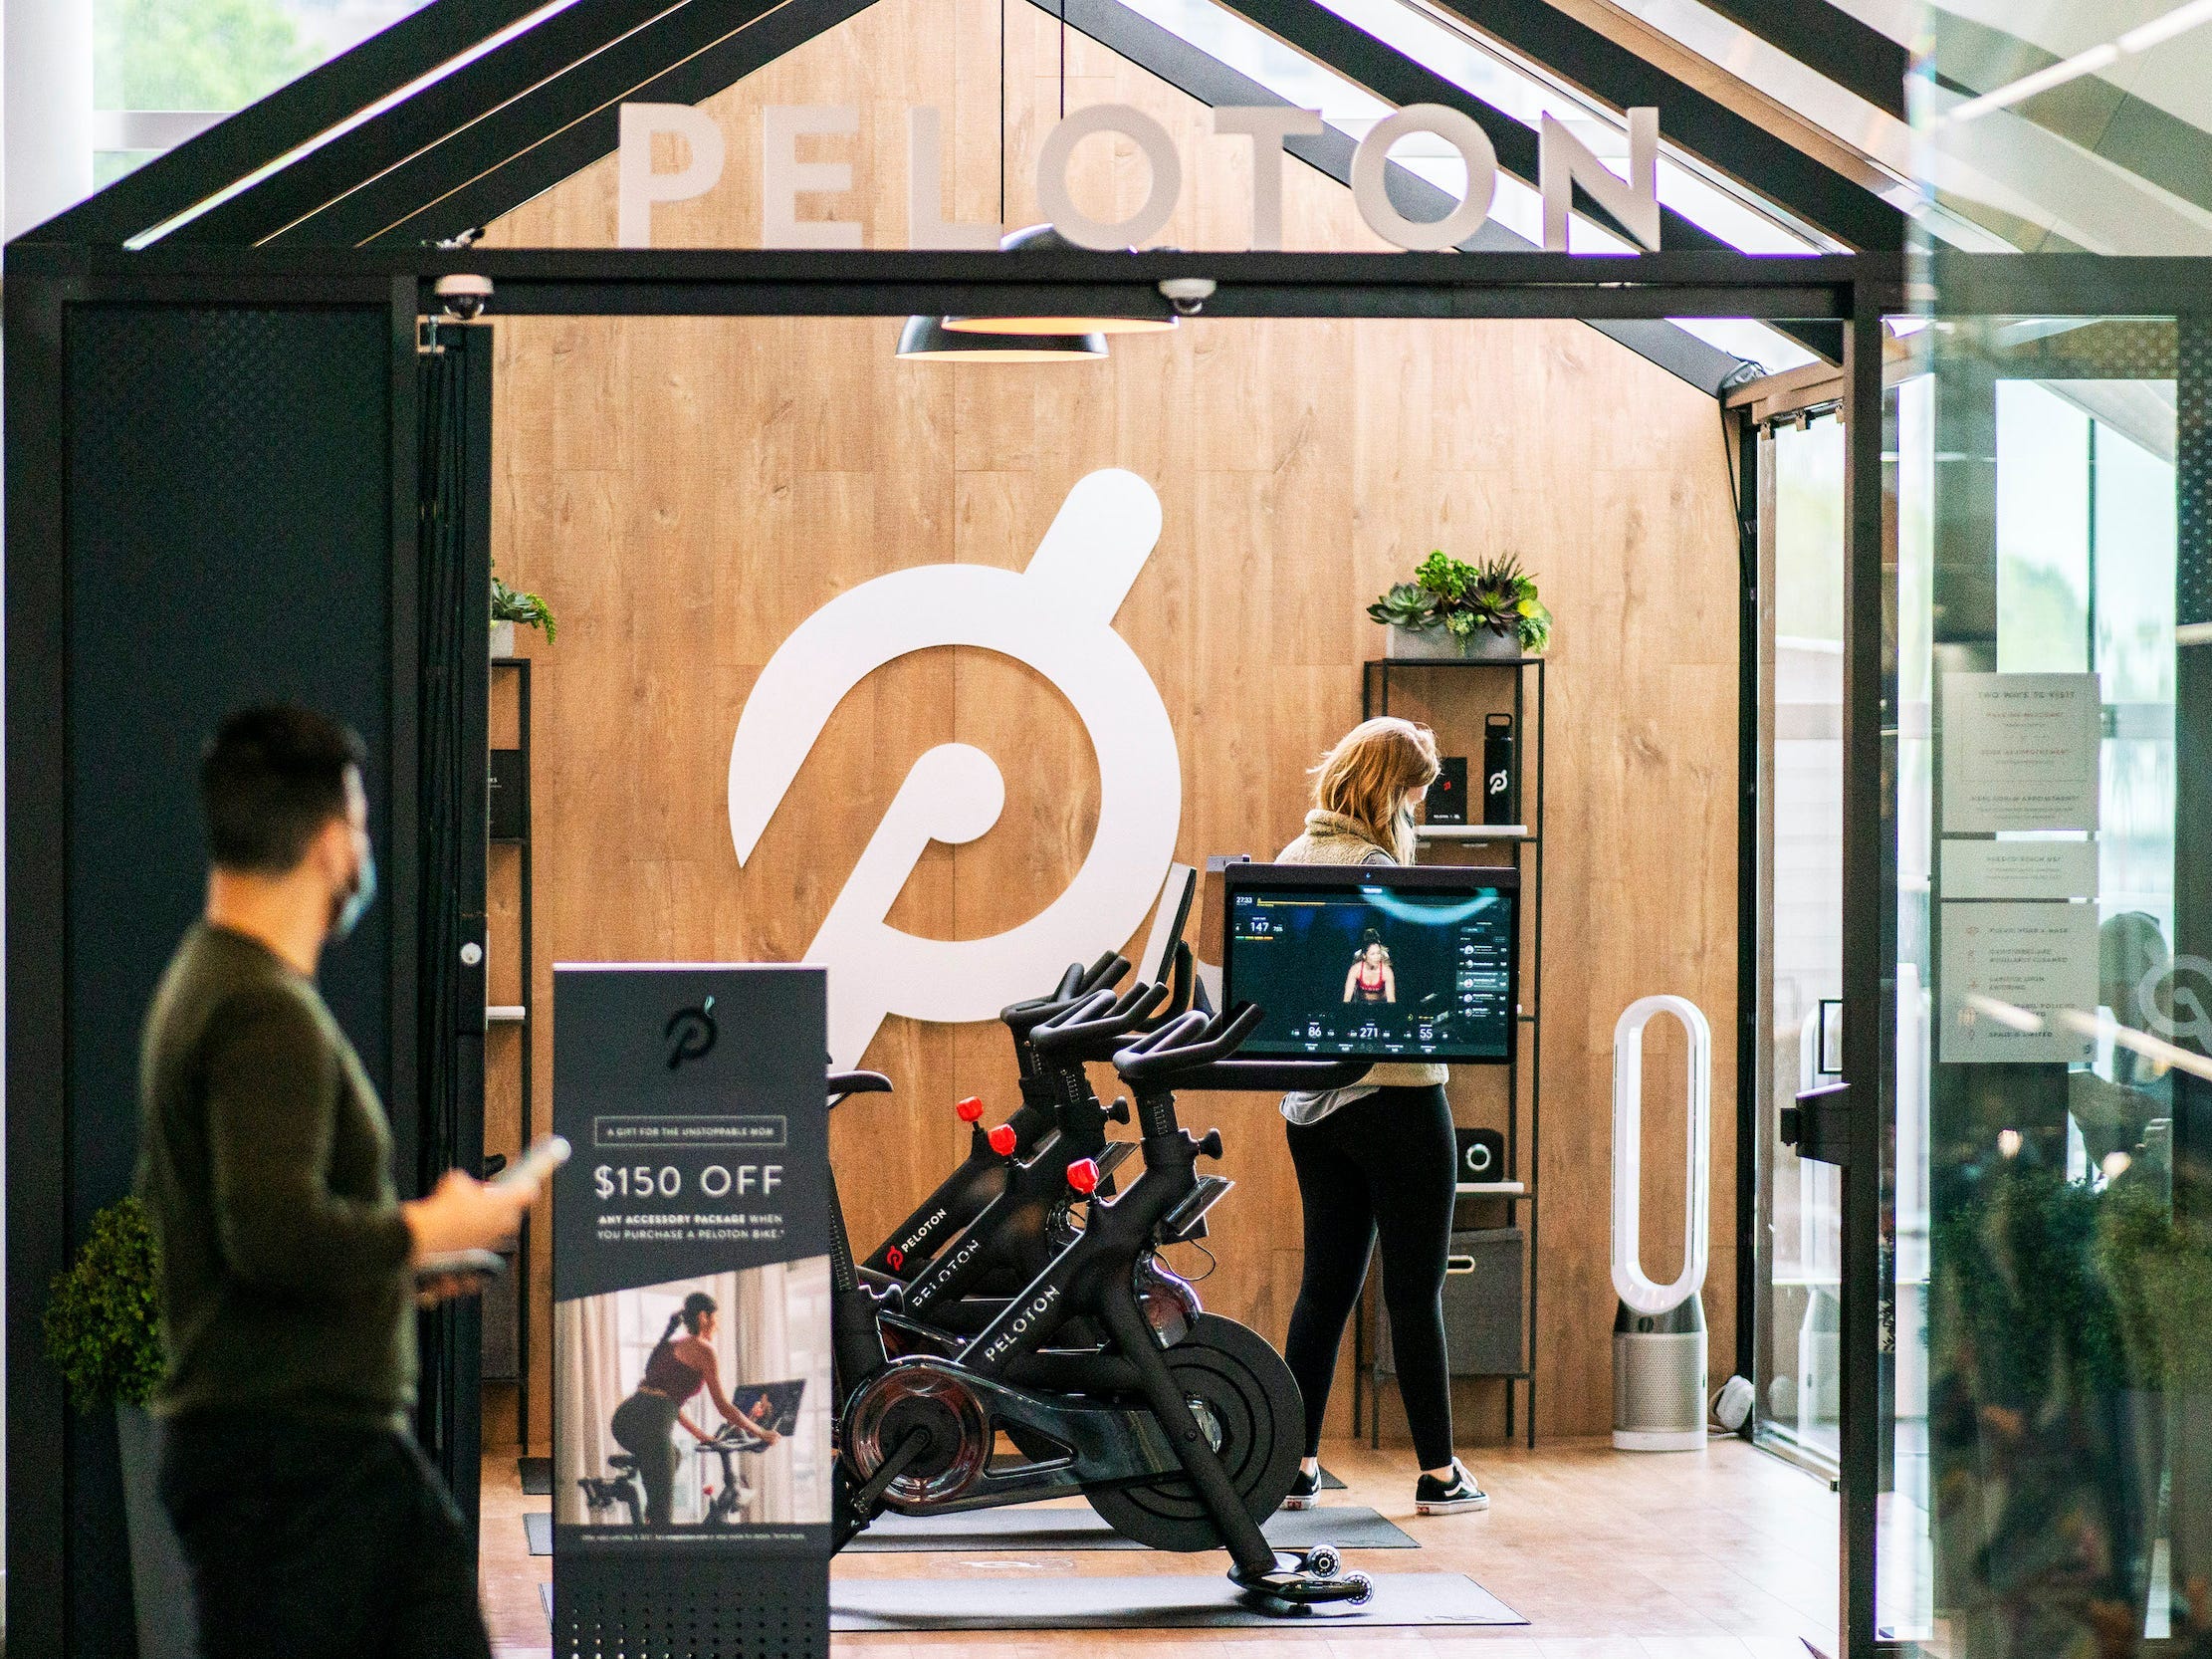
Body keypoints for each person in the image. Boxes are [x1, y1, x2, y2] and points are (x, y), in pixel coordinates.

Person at [136, 706, 538, 1659]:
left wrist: (389, 1273)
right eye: (360, 825)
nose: (363, 847)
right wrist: (429, 1227)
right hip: (297, 1468)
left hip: (296, 1459)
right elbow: (271, 1234)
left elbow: (261, 1241)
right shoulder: (261, 1011)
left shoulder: (213, 983)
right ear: (329, 840)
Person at [1275, 716, 1489, 1517]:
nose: (1418, 815)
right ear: (1391, 790)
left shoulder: (1294, 856)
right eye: (1415, 796)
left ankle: (1295, 1465)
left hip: (1313, 1109)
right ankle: (1439, 1474)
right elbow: (1418, 983)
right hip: (1396, 1098)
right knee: (1413, 1290)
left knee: (1323, 1288)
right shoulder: (1376, 866)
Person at [609, 1291, 779, 1526]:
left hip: (626, 1418)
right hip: (649, 1424)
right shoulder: (704, 1350)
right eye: (715, 1320)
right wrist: (760, 1432)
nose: (717, 1327)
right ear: (703, 1317)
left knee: (675, 1457)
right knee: (662, 1516)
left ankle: (648, 1523)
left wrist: (701, 1435)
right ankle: (653, 1546)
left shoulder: (670, 1345)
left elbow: (667, 1402)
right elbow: (723, 1407)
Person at [1344, 931, 1396, 1004]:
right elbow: (1347, 999)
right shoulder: (1355, 969)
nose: (1376, 957)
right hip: (1360, 1004)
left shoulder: (1386, 971)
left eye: (1378, 953)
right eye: (1372, 954)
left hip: (1381, 1006)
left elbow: (1391, 1000)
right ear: (1364, 956)